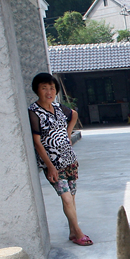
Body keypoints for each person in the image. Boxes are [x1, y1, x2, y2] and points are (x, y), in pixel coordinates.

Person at [29, 72, 92, 246]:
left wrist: (67, 134)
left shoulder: (57, 107)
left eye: (52, 88)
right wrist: (50, 166)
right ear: (37, 90)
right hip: (53, 165)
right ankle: (78, 232)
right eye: (44, 88)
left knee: (71, 198)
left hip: (69, 160)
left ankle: (73, 232)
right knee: (66, 198)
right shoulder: (34, 112)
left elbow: (74, 114)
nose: (49, 92)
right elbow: (37, 142)